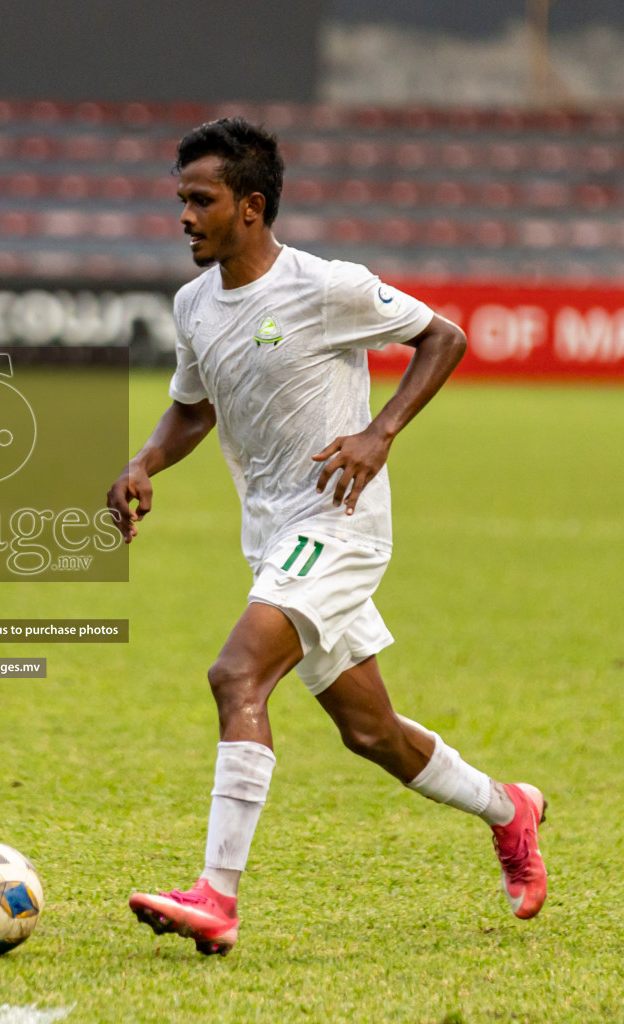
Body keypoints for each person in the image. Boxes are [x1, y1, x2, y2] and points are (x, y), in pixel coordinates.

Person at [109, 119, 546, 956]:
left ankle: (216, 896)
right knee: (368, 730)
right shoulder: (193, 303)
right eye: (180, 201)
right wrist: (145, 461)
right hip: (272, 533)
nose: (184, 216)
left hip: (336, 525)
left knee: (235, 673)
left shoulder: (323, 286)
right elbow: (194, 407)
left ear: (251, 206)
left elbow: (441, 337)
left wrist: (378, 432)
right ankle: (509, 809)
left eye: (200, 201)